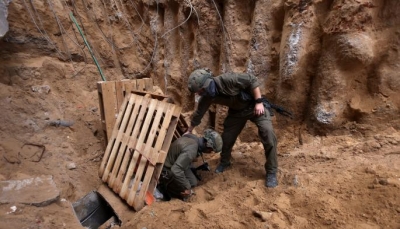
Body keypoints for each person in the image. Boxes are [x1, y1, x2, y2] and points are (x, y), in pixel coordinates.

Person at [186, 68, 279, 188]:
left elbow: (252, 80)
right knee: (226, 139)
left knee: (268, 134)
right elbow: (199, 113)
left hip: (255, 107)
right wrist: (189, 130)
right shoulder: (207, 96)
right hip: (237, 113)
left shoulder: (228, 79)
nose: (200, 94)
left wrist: (259, 102)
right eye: (199, 92)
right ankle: (225, 162)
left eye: (201, 90)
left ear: (208, 83)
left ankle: (271, 171)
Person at [158, 129, 223, 201]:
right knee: (184, 188)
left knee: (193, 182)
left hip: (177, 163)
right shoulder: (191, 151)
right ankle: (166, 192)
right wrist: (187, 188)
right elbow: (176, 170)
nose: (210, 152)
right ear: (207, 145)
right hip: (167, 168)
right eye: (211, 150)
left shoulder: (194, 138)